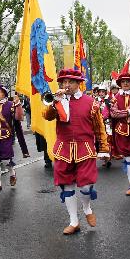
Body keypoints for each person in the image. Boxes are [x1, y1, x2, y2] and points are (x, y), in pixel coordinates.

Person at [43, 69, 110, 235]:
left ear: (78, 83)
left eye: (70, 82)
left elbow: (99, 127)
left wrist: (103, 149)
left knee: (86, 186)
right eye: (63, 82)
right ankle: (74, 221)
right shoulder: (58, 101)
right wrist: (55, 102)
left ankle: (87, 208)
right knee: (67, 185)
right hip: (63, 149)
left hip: (85, 149)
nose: (66, 85)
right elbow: (47, 116)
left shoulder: (91, 102)